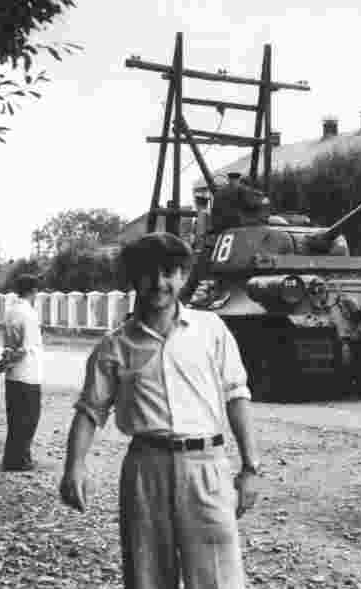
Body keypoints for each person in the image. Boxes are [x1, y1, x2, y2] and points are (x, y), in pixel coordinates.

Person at [59, 232, 261, 589]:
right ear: (135, 278)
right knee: (148, 577)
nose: (159, 283)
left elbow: (236, 395)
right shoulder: (115, 346)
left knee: (220, 578)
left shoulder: (211, 330)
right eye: (148, 273)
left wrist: (250, 468)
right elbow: (90, 411)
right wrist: (74, 466)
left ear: (183, 276)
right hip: (145, 469)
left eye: (169, 272)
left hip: (207, 468)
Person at [0, 274, 44, 472]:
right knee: (29, 417)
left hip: (12, 373)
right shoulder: (29, 314)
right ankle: (20, 460)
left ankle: (12, 457)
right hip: (28, 372)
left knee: (15, 417)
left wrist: (5, 363)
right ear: (33, 291)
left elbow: (9, 345)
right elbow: (26, 348)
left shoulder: (10, 311)